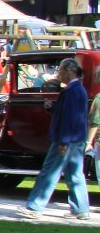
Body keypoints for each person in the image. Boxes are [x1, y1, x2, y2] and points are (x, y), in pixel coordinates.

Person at [16, 57, 90, 221]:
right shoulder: (78, 89)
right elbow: (70, 114)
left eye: (61, 70)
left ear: (70, 70)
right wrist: (53, 108)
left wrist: (63, 141)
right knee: (74, 174)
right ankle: (81, 209)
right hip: (77, 139)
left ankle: (35, 206)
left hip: (66, 139)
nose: (58, 73)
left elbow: (69, 118)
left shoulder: (71, 91)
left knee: (50, 172)